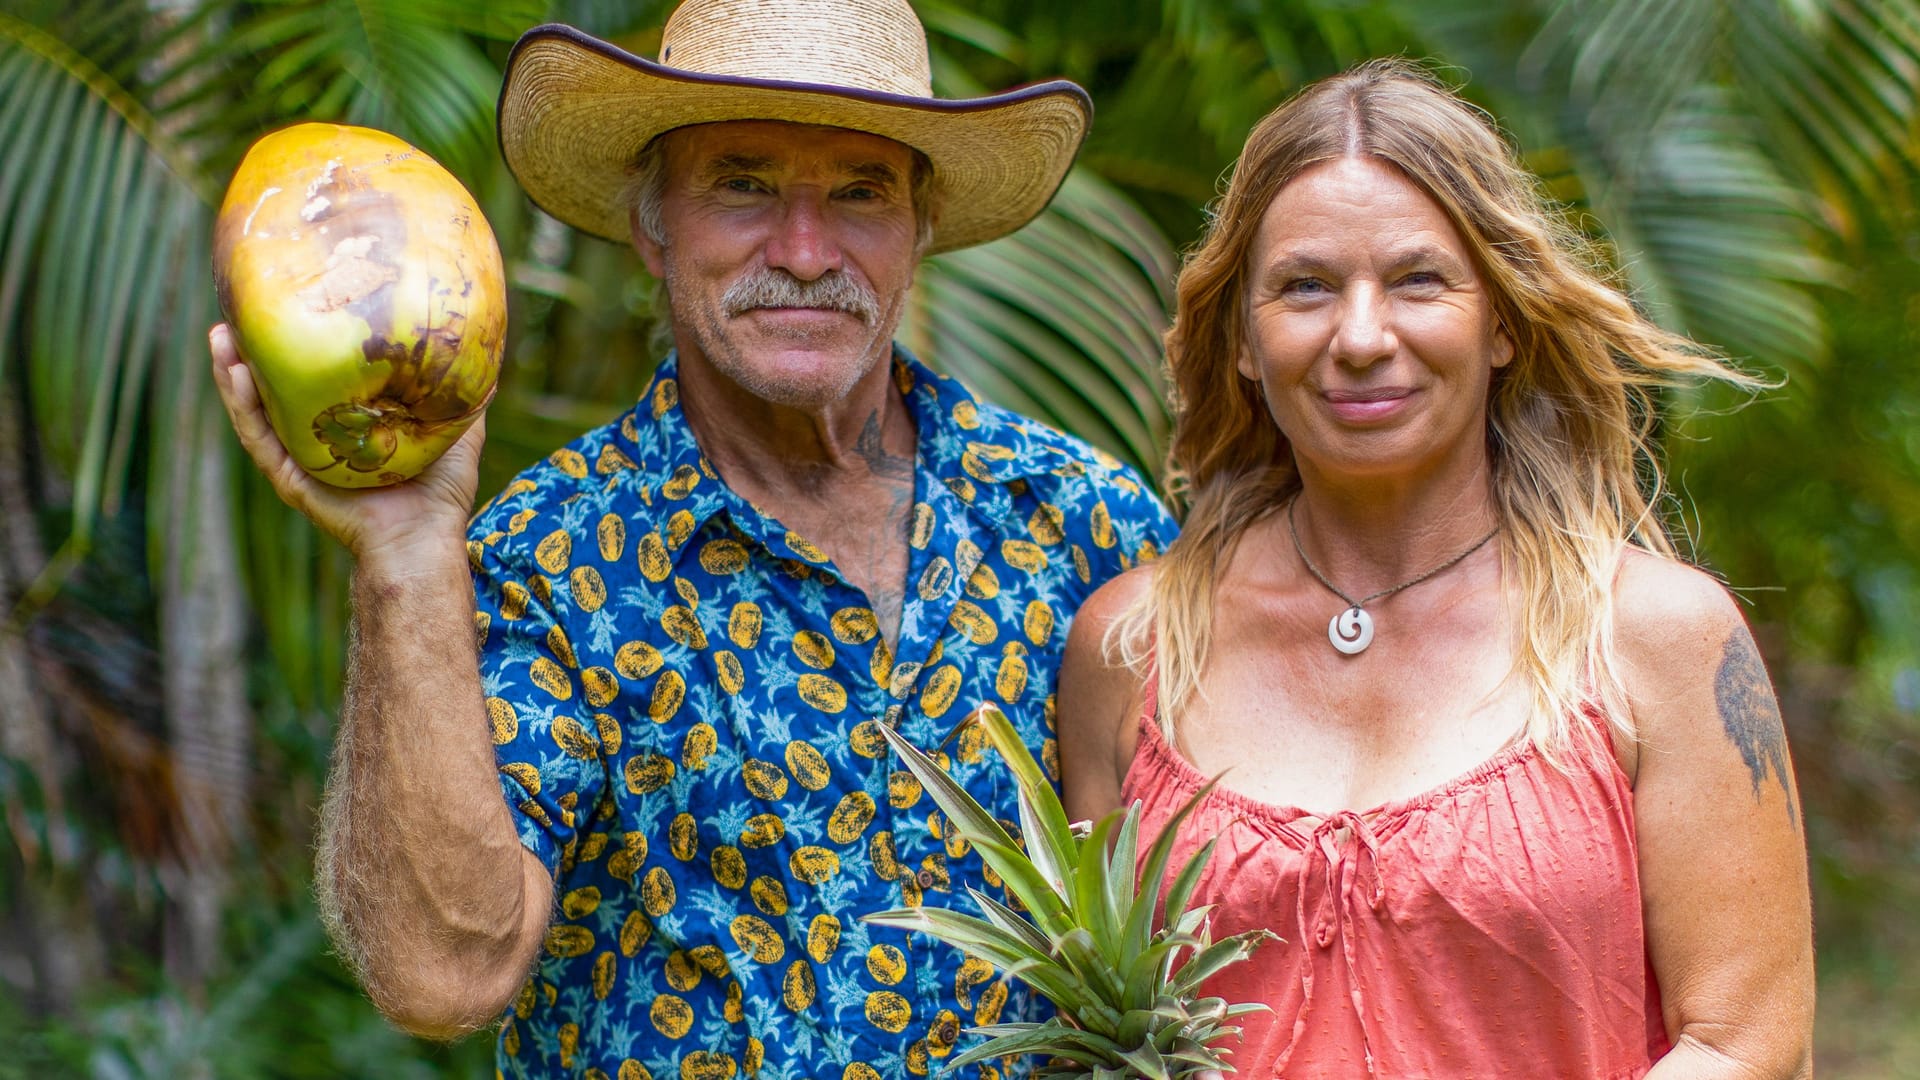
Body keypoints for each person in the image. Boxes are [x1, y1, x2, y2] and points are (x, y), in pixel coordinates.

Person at [209, 0, 1177, 1076]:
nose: (806, 252)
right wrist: (401, 557)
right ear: (653, 222)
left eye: (860, 191)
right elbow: (443, 979)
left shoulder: (1085, 522)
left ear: (922, 224)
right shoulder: (549, 559)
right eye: (744, 184)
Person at [1060, 60, 1814, 1080]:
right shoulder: (1133, 644)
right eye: (1306, 287)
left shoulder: (1655, 635)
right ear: (1243, 337)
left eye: (1418, 279)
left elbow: (1748, 1044)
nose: (1362, 338)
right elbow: (1100, 1036)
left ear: (1500, 321)